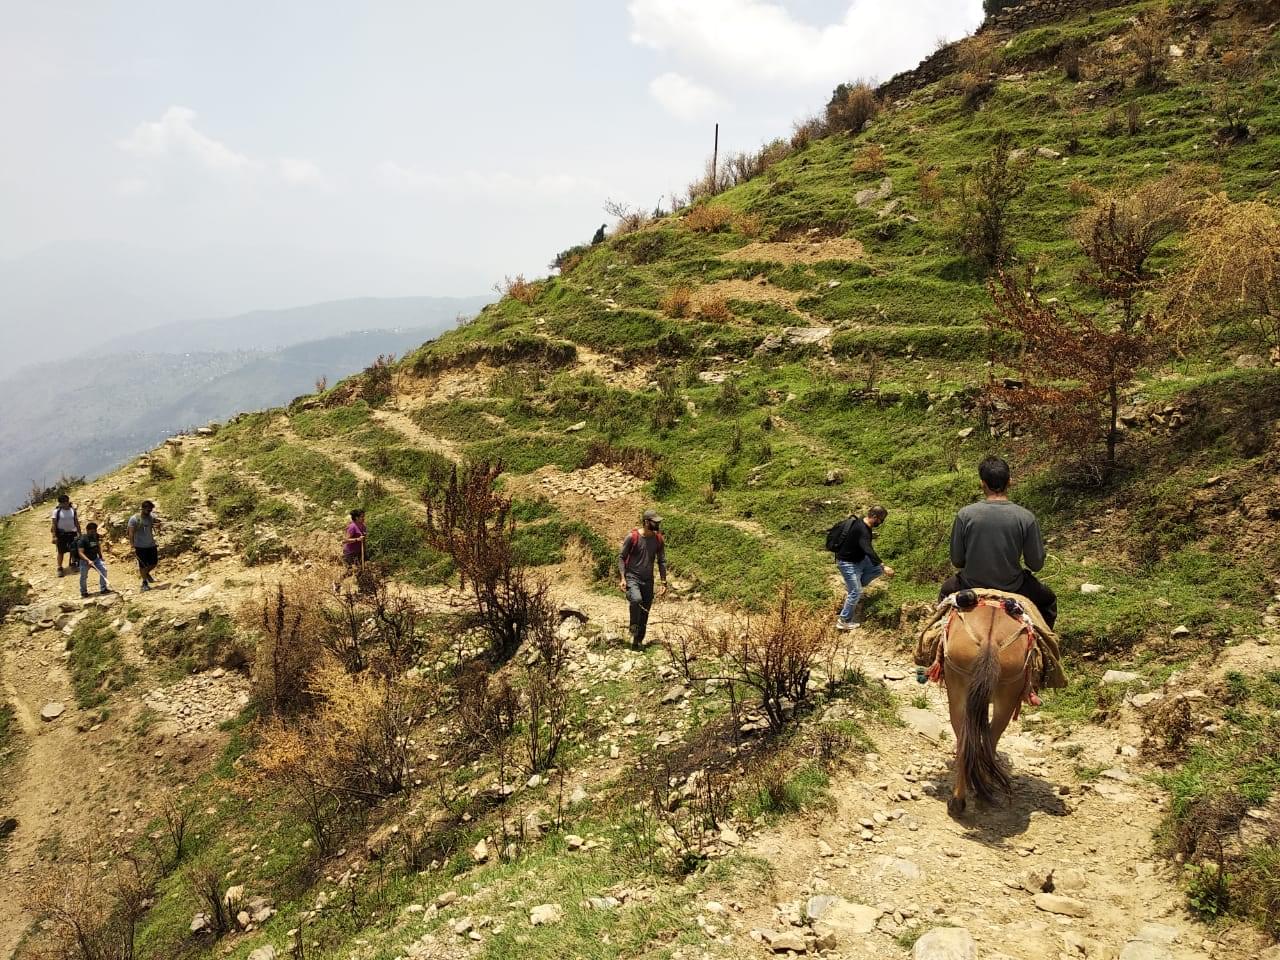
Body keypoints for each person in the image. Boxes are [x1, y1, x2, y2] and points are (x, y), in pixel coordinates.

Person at [940, 456, 1057, 628]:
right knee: (1048, 601)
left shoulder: (965, 515)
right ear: (1010, 482)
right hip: (1014, 587)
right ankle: (1044, 649)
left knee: (944, 595)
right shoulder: (1026, 517)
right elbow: (1036, 564)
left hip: (970, 585)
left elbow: (957, 560)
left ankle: (937, 649)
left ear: (982, 484)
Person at [830, 505, 894, 630]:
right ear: (874, 517)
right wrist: (883, 565)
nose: (881, 523)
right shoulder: (863, 530)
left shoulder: (863, 524)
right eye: (881, 520)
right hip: (847, 562)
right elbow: (867, 549)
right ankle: (843, 621)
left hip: (859, 559)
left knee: (875, 570)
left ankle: (852, 587)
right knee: (857, 591)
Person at [618, 509, 667, 648]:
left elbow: (662, 561)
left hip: (648, 580)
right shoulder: (632, 537)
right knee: (636, 599)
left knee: (645, 610)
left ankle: (638, 641)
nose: (657, 524)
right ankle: (634, 630)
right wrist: (623, 578)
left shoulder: (658, 539)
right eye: (654, 522)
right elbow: (621, 557)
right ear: (646, 522)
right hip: (632, 577)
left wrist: (664, 582)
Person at [127, 500, 160, 592]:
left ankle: (146, 574)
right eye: (148, 510)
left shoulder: (151, 517)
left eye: (151, 510)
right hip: (140, 546)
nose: (149, 512)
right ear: (143, 508)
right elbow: (131, 533)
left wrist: (159, 526)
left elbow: (157, 524)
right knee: (143, 565)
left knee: (154, 562)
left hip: (151, 544)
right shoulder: (134, 519)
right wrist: (132, 546)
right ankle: (144, 582)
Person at [50, 494, 81, 576]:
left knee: (73, 549)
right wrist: (54, 536)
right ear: (59, 503)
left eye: (65, 502)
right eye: (62, 503)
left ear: (68, 502)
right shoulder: (56, 512)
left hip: (72, 533)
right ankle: (59, 567)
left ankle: (73, 563)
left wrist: (79, 533)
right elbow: (54, 524)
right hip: (61, 534)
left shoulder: (72, 511)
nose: (64, 504)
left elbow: (76, 522)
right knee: (61, 551)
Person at [75, 522, 109, 598]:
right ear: (87, 530)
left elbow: (97, 546)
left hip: (95, 559)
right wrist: (88, 561)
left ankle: (103, 589)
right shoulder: (82, 539)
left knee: (103, 570)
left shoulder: (95, 536)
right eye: (91, 531)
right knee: (83, 576)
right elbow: (80, 552)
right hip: (85, 561)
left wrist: (100, 556)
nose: (93, 533)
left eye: (94, 531)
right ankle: (84, 592)